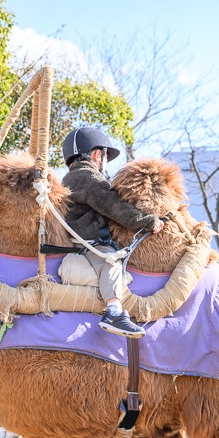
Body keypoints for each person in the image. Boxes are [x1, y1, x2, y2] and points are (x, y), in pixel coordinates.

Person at [60, 127, 164, 338]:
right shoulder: (88, 177)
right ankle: (114, 312)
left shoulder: (69, 178)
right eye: (105, 156)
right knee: (112, 262)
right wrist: (147, 221)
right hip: (89, 241)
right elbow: (113, 206)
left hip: (78, 238)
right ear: (97, 155)